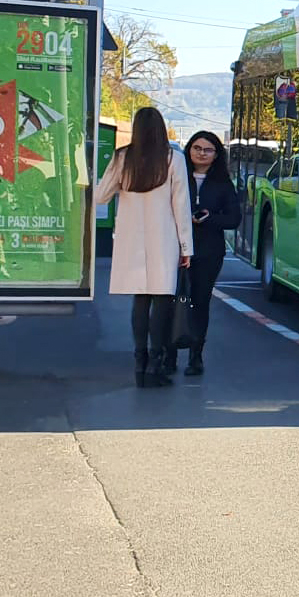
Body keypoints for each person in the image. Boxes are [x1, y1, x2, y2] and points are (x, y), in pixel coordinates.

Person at [94, 107, 192, 388]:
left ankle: (140, 361)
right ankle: (157, 364)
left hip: (131, 240)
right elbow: (181, 206)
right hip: (165, 240)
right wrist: (186, 247)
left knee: (140, 301)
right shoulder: (174, 159)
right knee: (162, 301)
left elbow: (101, 196)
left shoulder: (123, 157)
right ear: (162, 129)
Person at [166, 131, 240, 376]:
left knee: (200, 302)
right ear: (188, 151)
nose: (201, 153)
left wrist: (210, 218)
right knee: (171, 301)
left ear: (216, 154)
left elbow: (234, 218)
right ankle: (169, 354)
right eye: (196, 148)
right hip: (175, 249)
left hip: (208, 251)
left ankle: (196, 355)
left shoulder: (223, 183)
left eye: (208, 150)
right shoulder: (177, 176)